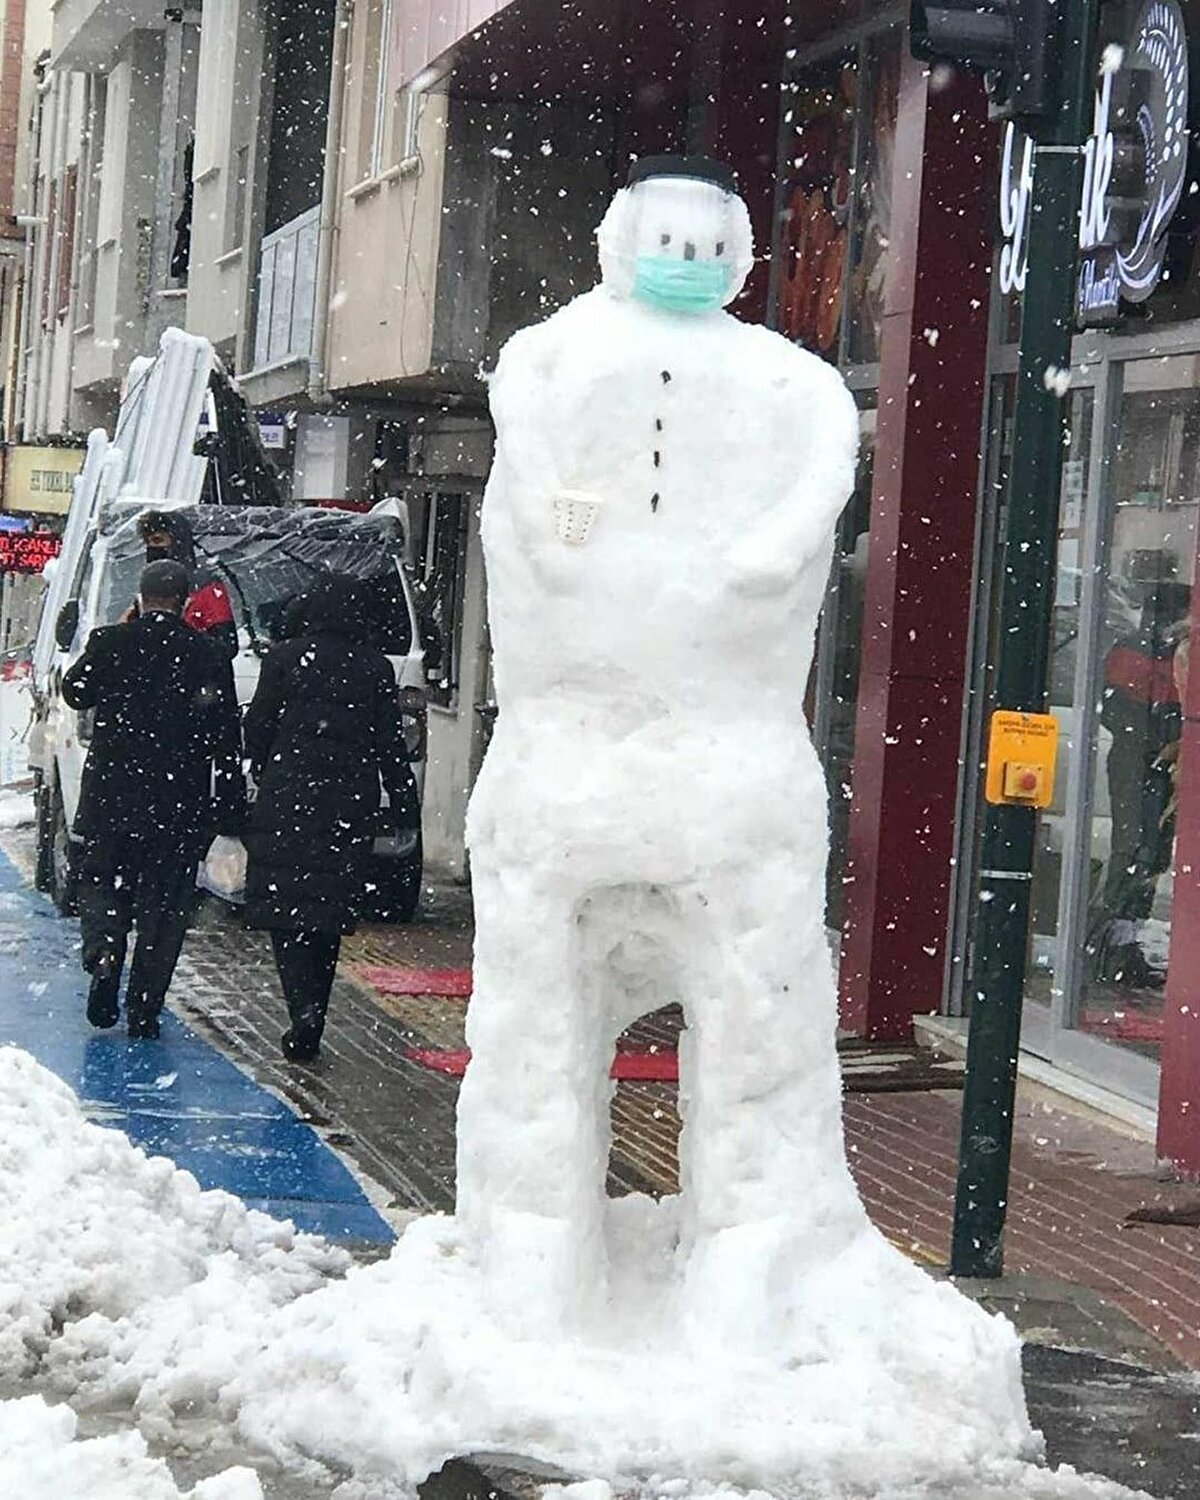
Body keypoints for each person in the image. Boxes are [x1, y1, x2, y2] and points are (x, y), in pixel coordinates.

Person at [62, 559, 245, 1038]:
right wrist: (228, 813)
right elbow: (227, 741)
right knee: (165, 909)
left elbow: (74, 691)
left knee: (103, 884)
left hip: (111, 802)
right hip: (177, 808)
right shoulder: (207, 655)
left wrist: (115, 637)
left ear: (140, 599)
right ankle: (144, 1007)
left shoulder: (112, 642)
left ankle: (104, 954)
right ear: (186, 602)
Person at [242, 575, 419, 1061]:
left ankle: (300, 1005)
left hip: (289, 797)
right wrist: (404, 806)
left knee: (287, 909)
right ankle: (315, 1008)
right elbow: (389, 742)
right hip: (347, 802)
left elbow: (258, 726)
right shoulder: (374, 667)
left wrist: (259, 760)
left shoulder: (283, 659)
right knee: (327, 909)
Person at [135, 509, 238, 654]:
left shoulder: (206, 586)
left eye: (158, 540)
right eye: (148, 542)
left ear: (177, 541)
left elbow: (226, 645)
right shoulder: (147, 589)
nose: (152, 548)